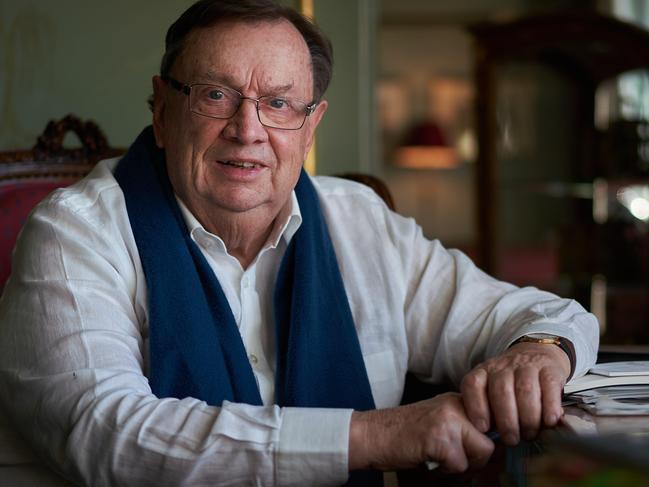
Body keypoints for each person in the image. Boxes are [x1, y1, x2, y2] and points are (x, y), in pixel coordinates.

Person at [0, 0, 598, 485]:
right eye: (215, 95)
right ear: (162, 110)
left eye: (279, 104)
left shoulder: (358, 221)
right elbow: (107, 435)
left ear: (311, 125)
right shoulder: (71, 231)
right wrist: (377, 437)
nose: (247, 129)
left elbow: (546, 315)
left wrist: (537, 352)